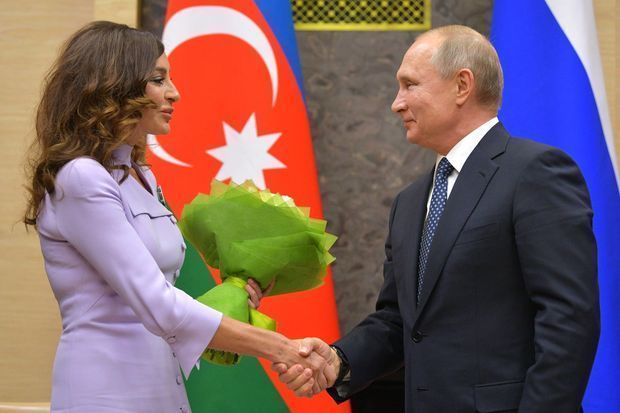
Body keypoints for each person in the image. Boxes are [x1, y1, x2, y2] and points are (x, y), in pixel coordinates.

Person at [274, 25, 600, 412]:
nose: (396, 104)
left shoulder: (535, 173)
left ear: (462, 85)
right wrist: (339, 360)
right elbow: (400, 320)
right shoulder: (410, 202)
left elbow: (568, 318)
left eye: (410, 85)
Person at [23, 21, 334, 412]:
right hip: (106, 394)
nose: (174, 92)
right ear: (113, 87)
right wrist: (282, 348)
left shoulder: (141, 176)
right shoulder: (82, 177)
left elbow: (158, 296)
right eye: (158, 80)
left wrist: (232, 295)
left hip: (164, 390)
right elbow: (159, 307)